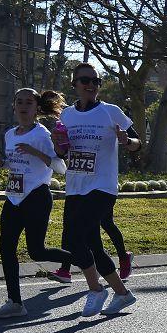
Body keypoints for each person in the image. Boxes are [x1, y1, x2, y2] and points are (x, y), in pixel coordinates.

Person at [52, 63, 139, 316]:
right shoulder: (67, 116)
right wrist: (58, 146)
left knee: (73, 238)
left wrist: (127, 141)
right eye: (84, 80)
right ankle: (122, 294)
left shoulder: (111, 112)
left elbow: (137, 143)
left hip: (102, 185)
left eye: (95, 80)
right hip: (76, 186)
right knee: (92, 244)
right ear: (74, 85)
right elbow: (63, 152)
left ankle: (96, 289)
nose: (91, 84)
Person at [0, 89, 75, 318]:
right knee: (6, 247)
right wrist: (2, 163)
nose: (23, 106)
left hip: (37, 196)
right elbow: (15, 164)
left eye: (28, 102)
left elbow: (60, 167)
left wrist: (35, 151)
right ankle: (15, 302)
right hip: (13, 196)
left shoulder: (42, 135)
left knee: (37, 252)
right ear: (14, 106)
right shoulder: (10, 134)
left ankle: (83, 259)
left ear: (36, 108)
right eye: (19, 101)